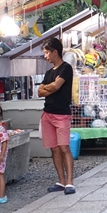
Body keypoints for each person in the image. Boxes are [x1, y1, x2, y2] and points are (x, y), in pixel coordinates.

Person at [38, 37, 76, 195]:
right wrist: (50, 88)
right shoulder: (48, 73)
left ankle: (70, 182)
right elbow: (40, 92)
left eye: (47, 52)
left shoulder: (66, 68)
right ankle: (61, 180)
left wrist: (48, 88)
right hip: (47, 113)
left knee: (64, 147)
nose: (45, 56)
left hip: (62, 114)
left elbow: (56, 86)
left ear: (55, 52)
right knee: (54, 149)